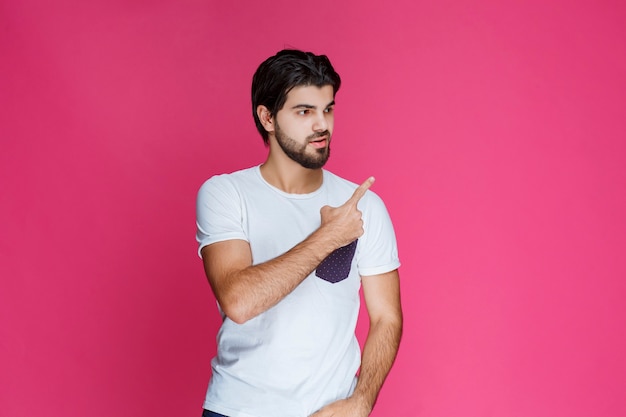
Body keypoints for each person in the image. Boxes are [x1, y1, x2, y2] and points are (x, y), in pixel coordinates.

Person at [196, 49, 402, 417]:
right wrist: (329, 237)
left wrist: (361, 401)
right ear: (267, 117)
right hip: (237, 410)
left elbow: (387, 317)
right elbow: (239, 301)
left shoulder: (365, 206)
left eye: (328, 109)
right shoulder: (226, 194)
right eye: (304, 112)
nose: (322, 124)